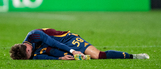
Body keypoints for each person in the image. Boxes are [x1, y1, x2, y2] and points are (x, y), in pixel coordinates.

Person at [10, 28, 149, 60]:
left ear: (26, 47)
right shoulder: (29, 54)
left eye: (29, 52)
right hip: (57, 48)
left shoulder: (35, 35)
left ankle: (134, 56)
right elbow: (42, 56)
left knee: (98, 55)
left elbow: (53, 42)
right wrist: (60, 58)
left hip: (67, 40)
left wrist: (72, 51)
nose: (31, 53)